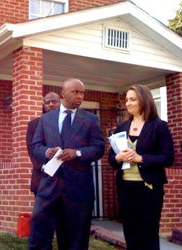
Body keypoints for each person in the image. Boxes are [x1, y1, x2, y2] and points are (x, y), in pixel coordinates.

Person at [28, 78, 105, 250]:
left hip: (78, 190)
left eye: (82, 92)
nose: (80, 96)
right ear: (63, 94)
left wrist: (77, 153)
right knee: (38, 235)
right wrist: (48, 152)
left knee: (74, 240)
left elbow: (99, 148)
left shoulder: (90, 120)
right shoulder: (46, 119)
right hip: (49, 187)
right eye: (75, 92)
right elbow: (36, 146)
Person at [108, 85, 174, 250]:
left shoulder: (159, 126)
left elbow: (168, 157)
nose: (128, 103)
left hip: (149, 187)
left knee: (148, 234)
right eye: (127, 99)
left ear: (144, 100)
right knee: (131, 233)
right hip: (125, 187)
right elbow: (110, 157)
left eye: (132, 99)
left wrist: (141, 158)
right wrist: (118, 157)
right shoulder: (122, 127)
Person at [26, 92, 60, 196]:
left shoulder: (67, 123)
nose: (50, 104)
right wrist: (44, 167)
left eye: (54, 102)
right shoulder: (34, 125)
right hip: (42, 177)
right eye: (47, 102)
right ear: (43, 105)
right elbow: (32, 150)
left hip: (65, 180)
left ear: (60, 103)